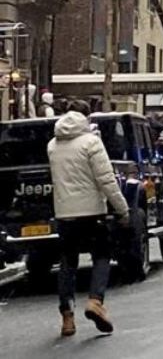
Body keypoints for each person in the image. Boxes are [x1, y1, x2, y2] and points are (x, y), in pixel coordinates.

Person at [47, 104, 130, 336]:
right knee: (101, 256)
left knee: (68, 262)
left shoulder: (52, 145)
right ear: (87, 118)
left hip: (64, 213)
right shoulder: (92, 143)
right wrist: (122, 209)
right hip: (92, 212)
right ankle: (95, 301)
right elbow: (106, 180)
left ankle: (67, 316)